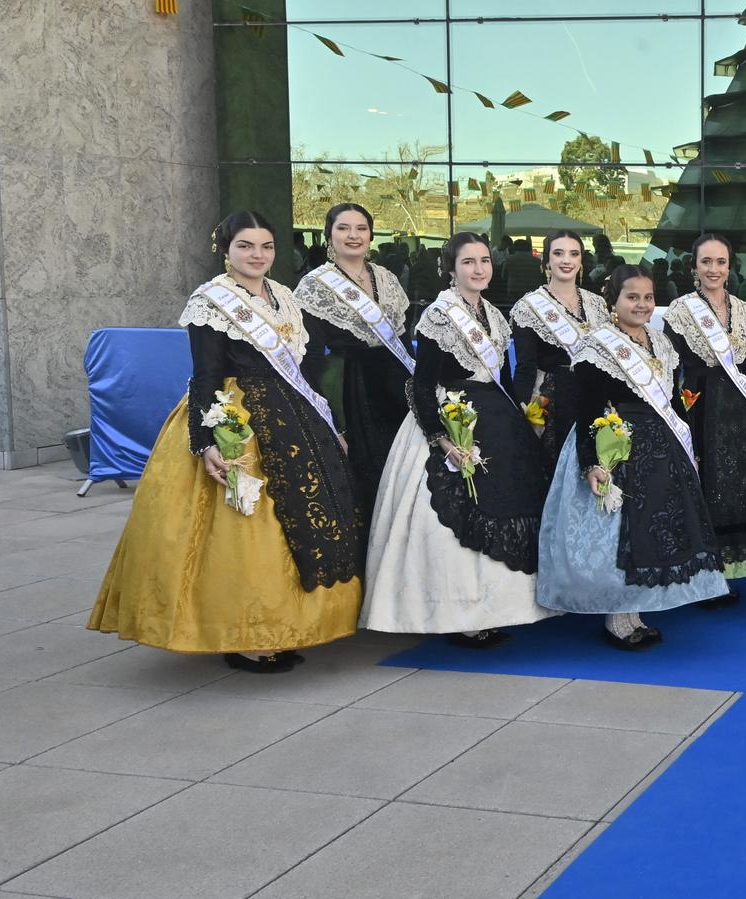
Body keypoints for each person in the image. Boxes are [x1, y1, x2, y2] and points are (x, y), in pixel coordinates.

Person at [88, 212, 362, 672]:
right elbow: (207, 374)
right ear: (226, 250)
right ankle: (244, 635)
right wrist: (206, 441)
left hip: (294, 414)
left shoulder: (285, 297)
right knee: (245, 529)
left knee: (301, 519)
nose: (258, 255)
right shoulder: (211, 301)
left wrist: (327, 421)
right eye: (246, 246)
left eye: (266, 246)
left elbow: (306, 369)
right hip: (236, 417)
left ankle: (291, 625)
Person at [361, 233, 555, 645]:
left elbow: (502, 377)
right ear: (450, 269)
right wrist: (439, 437)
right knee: (458, 517)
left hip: (499, 420)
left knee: (508, 504)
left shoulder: (494, 316)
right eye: (468, 262)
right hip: (454, 419)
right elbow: (423, 382)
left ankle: (505, 608)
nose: (479, 269)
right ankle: (464, 615)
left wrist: (519, 419)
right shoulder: (438, 315)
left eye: (484, 260)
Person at [538, 265, 728, 648]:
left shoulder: (661, 343)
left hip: (662, 446)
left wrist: (687, 446)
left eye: (647, 297)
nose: (641, 304)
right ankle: (618, 616)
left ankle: (637, 609)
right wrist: (592, 462)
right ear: (614, 302)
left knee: (653, 532)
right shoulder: (597, 347)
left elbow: (674, 403)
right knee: (620, 535)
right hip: (617, 444)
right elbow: (586, 407)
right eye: (632, 297)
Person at [664, 232, 746, 592]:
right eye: (706, 261)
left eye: (720, 262)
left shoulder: (744, 311)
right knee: (709, 485)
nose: (714, 269)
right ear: (694, 267)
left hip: (743, 411)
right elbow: (674, 369)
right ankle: (708, 575)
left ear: (729, 266)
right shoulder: (680, 310)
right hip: (702, 408)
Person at [296, 202, 414, 523]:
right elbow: (310, 356)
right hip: (347, 386)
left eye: (361, 229)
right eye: (343, 228)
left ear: (371, 235)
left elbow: (402, 338)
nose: (353, 236)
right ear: (329, 235)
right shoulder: (314, 285)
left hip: (394, 386)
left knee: (403, 470)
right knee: (364, 473)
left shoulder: (386, 277)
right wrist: (328, 416)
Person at [510, 229, 609, 453]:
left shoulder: (598, 304)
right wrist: (518, 414)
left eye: (574, 254)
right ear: (546, 260)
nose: (566, 260)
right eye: (558, 253)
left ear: (581, 261)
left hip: (592, 396)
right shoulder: (529, 307)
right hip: (550, 400)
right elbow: (525, 368)